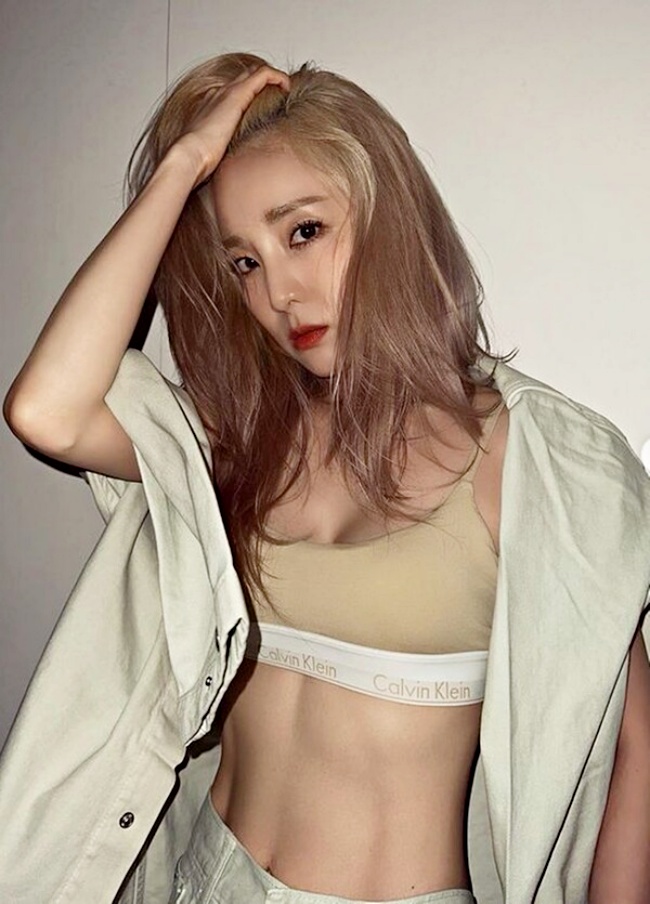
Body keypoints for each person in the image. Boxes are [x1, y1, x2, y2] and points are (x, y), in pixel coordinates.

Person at [1, 51, 649, 904]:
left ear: (386, 217)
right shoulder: (244, 443)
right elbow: (45, 409)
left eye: (303, 232)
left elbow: (633, 748)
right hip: (201, 879)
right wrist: (185, 164)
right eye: (245, 262)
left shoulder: (533, 462)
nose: (280, 292)